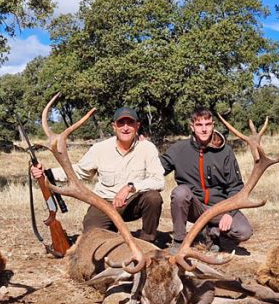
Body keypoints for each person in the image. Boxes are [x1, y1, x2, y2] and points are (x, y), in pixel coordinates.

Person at [31, 107, 165, 245]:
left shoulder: (147, 148)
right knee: (92, 237)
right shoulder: (100, 149)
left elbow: (159, 181)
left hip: (132, 203)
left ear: (137, 126)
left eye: (130, 123)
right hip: (104, 204)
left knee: (153, 198)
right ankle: (110, 235)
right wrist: (47, 173)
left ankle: (147, 243)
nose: (125, 128)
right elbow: (80, 172)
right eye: (121, 123)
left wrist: (130, 187)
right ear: (114, 127)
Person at [161, 107, 252, 251]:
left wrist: (229, 212)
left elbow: (235, 187)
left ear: (213, 126)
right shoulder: (178, 149)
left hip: (219, 207)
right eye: (199, 125)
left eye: (208, 124)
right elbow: (157, 170)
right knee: (180, 193)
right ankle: (179, 241)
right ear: (192, 127)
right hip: (193, 206)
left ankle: (212, 234)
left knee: (243, 231)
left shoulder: (226, 151)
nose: (204, 129)